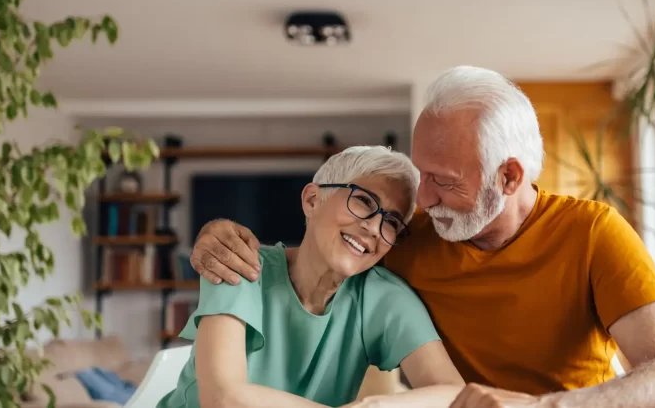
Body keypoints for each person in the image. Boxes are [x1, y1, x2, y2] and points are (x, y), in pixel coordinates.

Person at [189, 66, 655, 408]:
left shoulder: (593, 233)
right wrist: (215, 234)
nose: (422, 201)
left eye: (443, 182)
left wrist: (543, 407)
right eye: (422, 176)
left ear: (508, 177)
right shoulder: (410, 238)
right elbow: (323, 251)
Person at [157, 146, 465, 408]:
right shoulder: (240, 262)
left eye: (392, 222)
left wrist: (375, 406)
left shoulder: (383, 297)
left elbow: (453, 393)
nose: (374, 228)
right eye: (364, 201)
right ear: (312, 200)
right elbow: (223, 398)